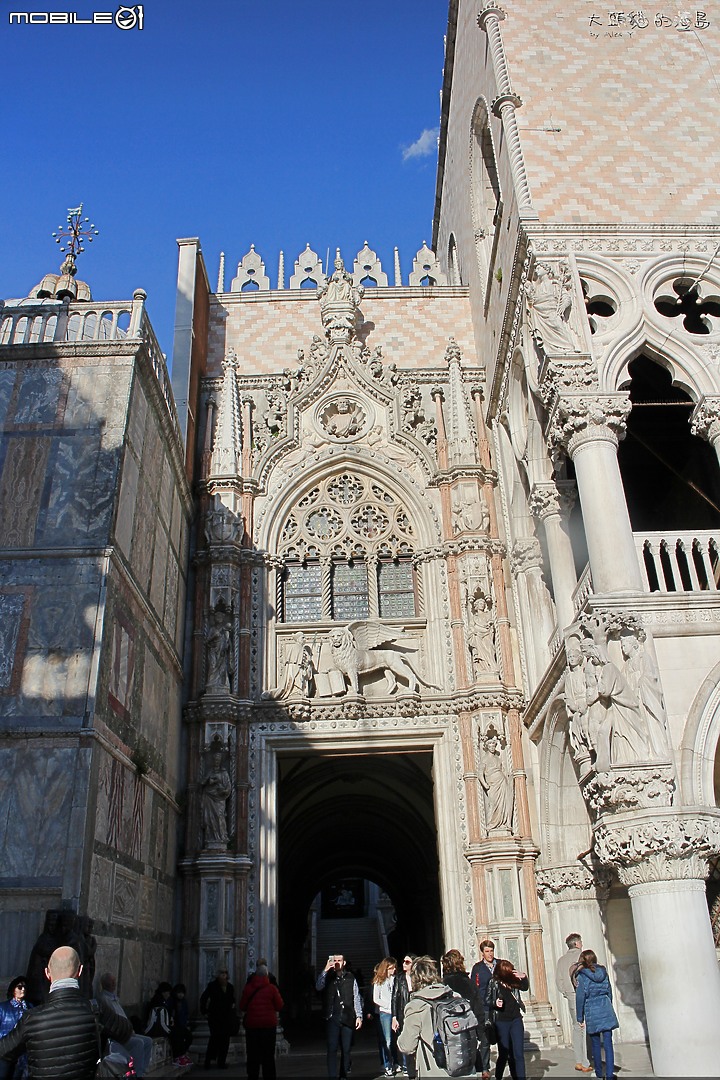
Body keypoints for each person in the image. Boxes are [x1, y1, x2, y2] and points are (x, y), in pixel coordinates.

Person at [0, 947, 132, 1080]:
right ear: (80, 971)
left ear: (47, 973)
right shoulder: (96, 1009)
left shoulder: (31, 1018)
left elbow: (4, 1050)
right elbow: (126, 1031)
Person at [396, 955, 458, 1079]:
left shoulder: (416, 1006)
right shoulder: (455, 997)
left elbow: (406, 1046)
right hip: (463, 1066)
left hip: (435, 1070)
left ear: (415, 979)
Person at [315, 954, 362, 1080]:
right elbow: (318, 986)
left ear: (344, 962)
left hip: (347, 1016)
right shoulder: (328, 977)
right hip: (332, 1017)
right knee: (332, 1047)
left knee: (346, 1049)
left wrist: (359, 1016)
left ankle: (343, 1074)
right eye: (334, 960)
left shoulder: (351, 977)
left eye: (339, 960)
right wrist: (325, 970)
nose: (336, 963)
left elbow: (356, 997)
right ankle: (332, 1075)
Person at [98, 971, 153, 1077]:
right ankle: (137, 1074)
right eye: (111, 982)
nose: (114, 984)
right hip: (117, 1035)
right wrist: (125, 1030)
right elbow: (113, 1021)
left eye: (114, 982)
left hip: (125, 1031)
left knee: (148, 1041)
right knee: (138, 1043)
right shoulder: (104, 999)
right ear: (105, 984)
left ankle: (143, 1070)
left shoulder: (114, 998)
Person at [575, 950, 618, 1080]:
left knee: (595, 1044)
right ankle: (610, 1075)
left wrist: (580, 1017)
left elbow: (580, 998)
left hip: (591, 1009)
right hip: (605, 1007)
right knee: (608, 1044)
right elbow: (609, 991)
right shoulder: (604, 973)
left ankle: (599, 1073)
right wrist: (607, 1005)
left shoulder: (581, 976)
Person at [238, 962, 284, 1080]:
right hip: (268, 1027)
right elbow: (279, 1006)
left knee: (253, 1054)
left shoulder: (248, 988)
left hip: (252, 1027)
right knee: (268, 1055)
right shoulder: (272, 989)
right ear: (267, 975)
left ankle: (252, 1076)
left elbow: (242, 1006)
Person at [485, 959, 529, 1080]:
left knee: (518, 1053)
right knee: (504, 1053)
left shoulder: (513, 981)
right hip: (501, 1021)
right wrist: (495, 1002)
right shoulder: (493, 982)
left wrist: (524, 977)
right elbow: (487, 1000)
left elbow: (524, 987)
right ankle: (498, 1076)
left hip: (515, 1019)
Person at [555, 934, 592, 1073]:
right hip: (583, 996)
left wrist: (567, 993)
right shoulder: (582, 957)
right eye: (580, 942)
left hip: (571, 997)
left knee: (577, 1027)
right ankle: (585, 1061)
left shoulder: (561, 960)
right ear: (576, 943)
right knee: (584, 1028)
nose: (582, 944)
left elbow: (559, 981)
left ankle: (578, 1060)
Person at [470, 940, 499, 1080]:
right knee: (485, 1039)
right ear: (482, 953)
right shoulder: (478, 968)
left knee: (502, 1036)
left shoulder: (500, 965)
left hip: (500, 1007)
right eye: (487, 951)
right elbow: (474, 989)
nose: (490, 954)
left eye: (491, 951)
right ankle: (485, 1068)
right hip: (485, 1008)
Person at [200, 967, 237, 1070]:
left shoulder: (230, 987)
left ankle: (222, 1062)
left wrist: (233, 1007)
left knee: (225, 1041)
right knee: (214, 1039)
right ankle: (208, 1061)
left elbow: (232, 999)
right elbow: (204, 998)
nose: (224, 975)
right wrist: (205, 1012)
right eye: (222, 973)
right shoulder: (212, 986)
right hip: (215, 1017)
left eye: (225, 973)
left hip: (226, 1018)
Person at [0, 978, 32, 1079]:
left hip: (23, 1054)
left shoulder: (31, 1008)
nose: (23, 989)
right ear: (13, 989)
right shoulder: (2, 1008)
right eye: (19, 987)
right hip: (5, 1051)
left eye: (24, 987)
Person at [392, 954, 417, 1079]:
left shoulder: (418, 977)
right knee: (405, 1039)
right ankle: (407, 1067)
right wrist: (394, 1017)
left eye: (407, 962)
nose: (404, 964)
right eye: (403, 961)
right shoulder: (399, 978)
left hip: (417, 1012)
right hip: (404, 1012)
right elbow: (395, 997)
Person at [372, 957, 397, 1077]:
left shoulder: (394, 980)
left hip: (394, 1012)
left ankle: (396, 1062)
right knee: (387, 1040)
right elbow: (376, 998)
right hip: (385, 1012)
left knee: (395, 1039)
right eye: (391, 968)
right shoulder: (379, 981)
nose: (393, 970)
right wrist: (387, 1005)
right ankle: (387, 1064)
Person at [169, 984, 193, 1067]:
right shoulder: (172, 1001)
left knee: (189, 1037)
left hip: (182, 1024)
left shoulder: (184, 1002)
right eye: (179, 993)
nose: (180, 995)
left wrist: (186, 1023)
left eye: (182, 993)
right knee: (178, 1038)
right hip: (174, 1025)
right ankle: (178, 1057)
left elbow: (185, 1013)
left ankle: (182, 1054)